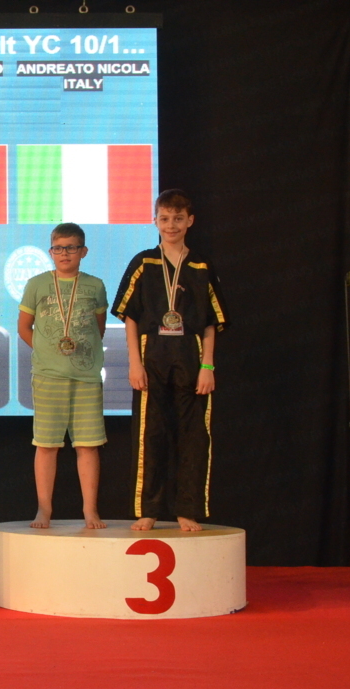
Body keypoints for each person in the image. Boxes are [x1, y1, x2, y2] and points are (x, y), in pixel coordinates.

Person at [111, 189, 229, 531]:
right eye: (164, 218)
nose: (171, 225)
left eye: (178, 218)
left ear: (190, 221)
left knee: (194, 435)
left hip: (192, 356)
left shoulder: (202, 266)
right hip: (152, 355)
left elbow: (211, 322)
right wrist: (134, 363)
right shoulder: (143, 263)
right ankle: (149, 509)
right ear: (155, 221)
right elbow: (130, 317)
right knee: (151, 434)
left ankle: (187, 509)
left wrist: (208, 366)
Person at [18, 223, 108, 529]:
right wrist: (46, 351)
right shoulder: (37, 284)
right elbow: (24, 327)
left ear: (83, 251)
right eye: (58, 248)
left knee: (88, 445)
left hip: (86, 377)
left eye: (71, 247)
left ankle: (90, 510)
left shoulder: (95, 286)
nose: (64, 253)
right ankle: (44, 510)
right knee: (46, 444)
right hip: (48, 376)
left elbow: (98, 328)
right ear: (51, 252)